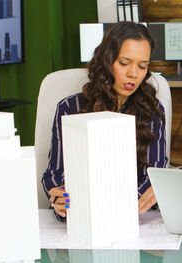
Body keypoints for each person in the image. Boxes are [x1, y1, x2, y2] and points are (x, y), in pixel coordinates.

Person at [41, 22, 167, 220]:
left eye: (142, 66)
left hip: (131, 218)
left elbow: (154, 174)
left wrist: (118, 206)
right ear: (106, 61)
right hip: (81, 216)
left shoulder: (152, 110)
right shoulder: (69, 108)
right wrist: (60, 194)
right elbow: (55, 171)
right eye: (124, 63)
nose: (133, 74)